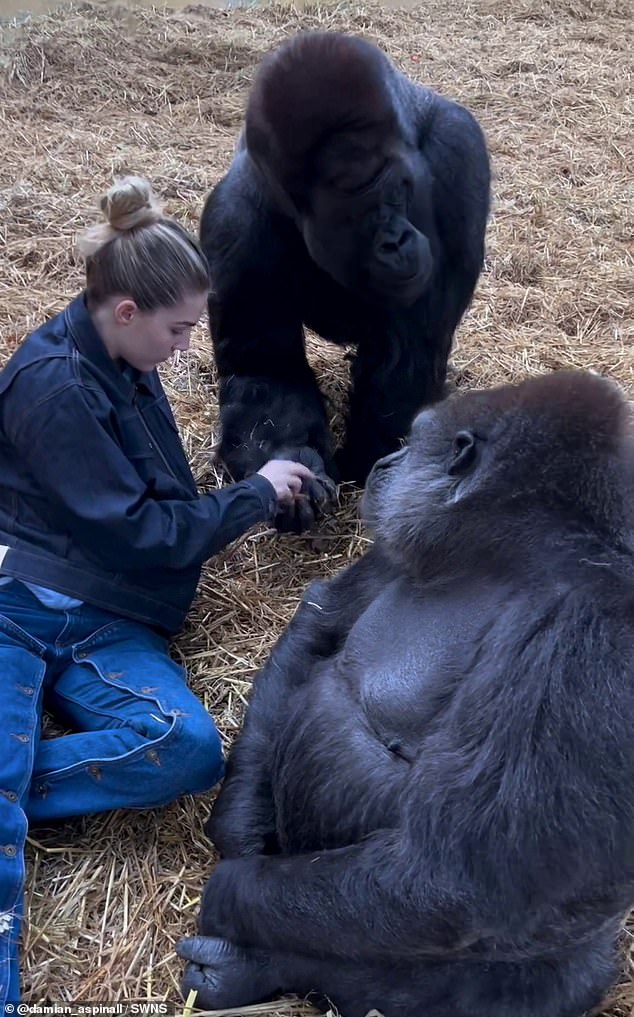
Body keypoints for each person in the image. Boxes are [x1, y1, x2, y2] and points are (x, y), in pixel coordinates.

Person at [0, 175, 314, 1004]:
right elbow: (140, 531)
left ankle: (11, 778)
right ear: (128, 311)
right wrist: (251, 495)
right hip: (20, 605)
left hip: (103, 610)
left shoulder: (118, 363)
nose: (185, 348)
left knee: (190, 748)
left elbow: (155, 510)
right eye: (178, 330)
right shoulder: (56, 387)